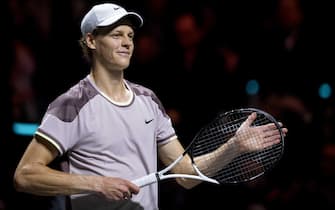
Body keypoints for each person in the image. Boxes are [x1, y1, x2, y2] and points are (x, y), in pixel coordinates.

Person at [13, 2, 288, 210]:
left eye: (130, 36)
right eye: (116, 34)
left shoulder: (148, 100)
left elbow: (186, 175)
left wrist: (234, 147)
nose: (126, 43)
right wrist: (97, 183)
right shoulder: (72, 103)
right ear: (91, 41)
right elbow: (25, 176)